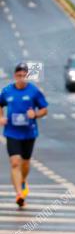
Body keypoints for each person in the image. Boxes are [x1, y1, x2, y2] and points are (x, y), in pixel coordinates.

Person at [0, 62, 48, 207]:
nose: (21, 78)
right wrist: (1, 117)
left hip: (29, 132)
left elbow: (44, 109)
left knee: (25, 163)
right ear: (15, 76)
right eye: (19, 75)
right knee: (15, 163)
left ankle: (22, 180)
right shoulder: (7, 91)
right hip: (12, 132)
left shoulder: (34, 91)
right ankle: (19, 194)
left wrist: (35, 114)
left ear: (27, 76)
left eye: (24, 75)